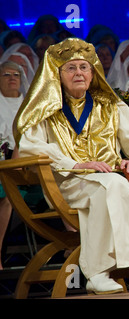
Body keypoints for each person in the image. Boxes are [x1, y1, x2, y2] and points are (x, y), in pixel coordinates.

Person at [13, 38, 129, 294]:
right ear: (57, 74)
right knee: (111, 185)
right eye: (71, 68)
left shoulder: (110, 104)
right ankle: (98, 272)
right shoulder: (46, 109)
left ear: (93, 73)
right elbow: (30, 148)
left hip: (111, 176)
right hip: (68, 182)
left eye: (84, 67)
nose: (79, 73)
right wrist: (77, 164)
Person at [0, 61, 26, 270]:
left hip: (30, 164)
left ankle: (72, 245)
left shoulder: (30, 104)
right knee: (6, 194)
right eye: (6, 74)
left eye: (16, 74)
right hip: (5, 165)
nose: (12, 78)